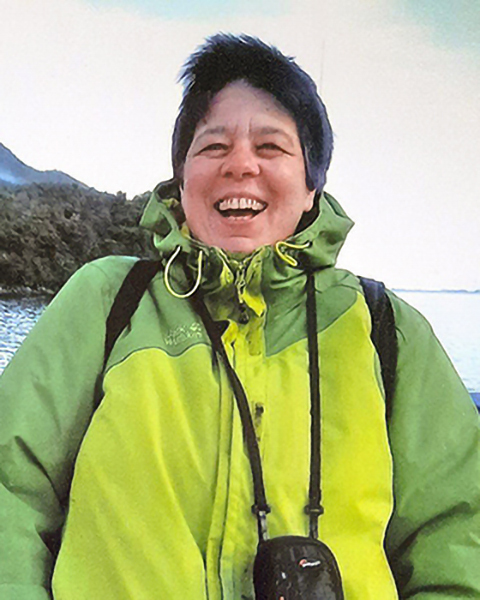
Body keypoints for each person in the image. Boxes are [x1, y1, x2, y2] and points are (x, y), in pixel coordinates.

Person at [0, 33, 479, 600]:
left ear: (312, 187)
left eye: (271, 146)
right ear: (182, 180)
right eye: (213, 146)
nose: (241, 165)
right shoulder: (106, 300)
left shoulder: (384, 329)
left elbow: (457, 538)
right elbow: (12, 490)